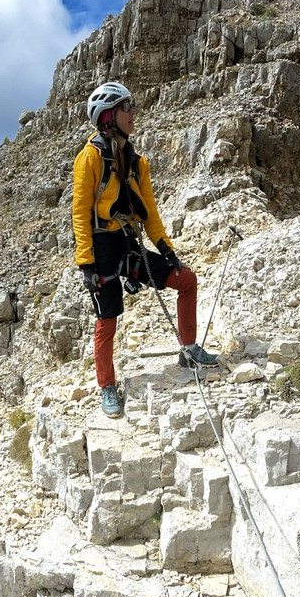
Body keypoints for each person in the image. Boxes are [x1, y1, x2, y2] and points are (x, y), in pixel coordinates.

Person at [72, 81, 221, 417]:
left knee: (186, 280)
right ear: (108, 116)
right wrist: (87, 266)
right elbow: (80, 214)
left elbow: (150, 212)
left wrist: (166, 250)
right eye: (127, 107)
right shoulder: (90, 158)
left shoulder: (137, 161)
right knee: (106, 320)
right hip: (103, 248)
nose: (133, 112)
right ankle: (107, 387)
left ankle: (188, 349)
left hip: (129, 243)